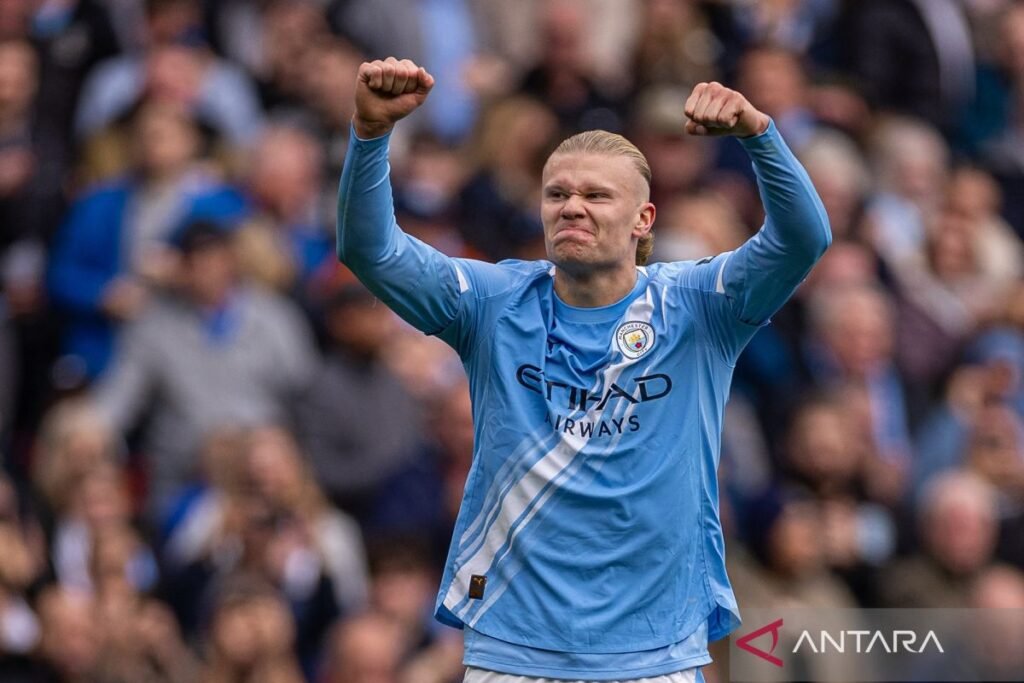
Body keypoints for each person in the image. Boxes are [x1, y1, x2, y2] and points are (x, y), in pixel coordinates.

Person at [338, 57, 830, 682]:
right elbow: (369, 249)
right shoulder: (492, 304)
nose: (572, 207)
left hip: (657, 655)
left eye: (596, 195)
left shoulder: (700, 307)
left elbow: (803, 241)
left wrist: (759, 136)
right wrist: (371, 133)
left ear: (643, 220)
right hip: (513, 653)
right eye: (557, 194)